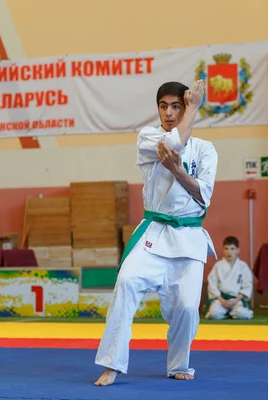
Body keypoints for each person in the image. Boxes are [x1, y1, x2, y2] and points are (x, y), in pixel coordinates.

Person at [94, 80, 218, 386]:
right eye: (163, 106)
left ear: (185, 108)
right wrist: (193, 109)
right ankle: (112, 363)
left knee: (188, 306)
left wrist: (178, 172)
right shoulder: (148, 137)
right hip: (154, 233)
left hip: (188, 238)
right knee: (126, 281)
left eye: (177, 106)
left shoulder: (205, 150)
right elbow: (174, 143)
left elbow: (204, 194)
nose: (169, 112)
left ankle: (179, 364)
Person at [204, 236, 254, 320]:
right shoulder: (218, 266)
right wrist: (221, 300)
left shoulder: (243, 266)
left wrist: (236, 300)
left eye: (232, 249)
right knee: (214, 314)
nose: (229, 252)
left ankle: (230, 312)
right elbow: (212, 285)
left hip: (236, 299)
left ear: (238, 250)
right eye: (226, 249)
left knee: (242, 314)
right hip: (221, 300)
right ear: (223, 250)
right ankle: (228, 313)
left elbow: (247, 285)